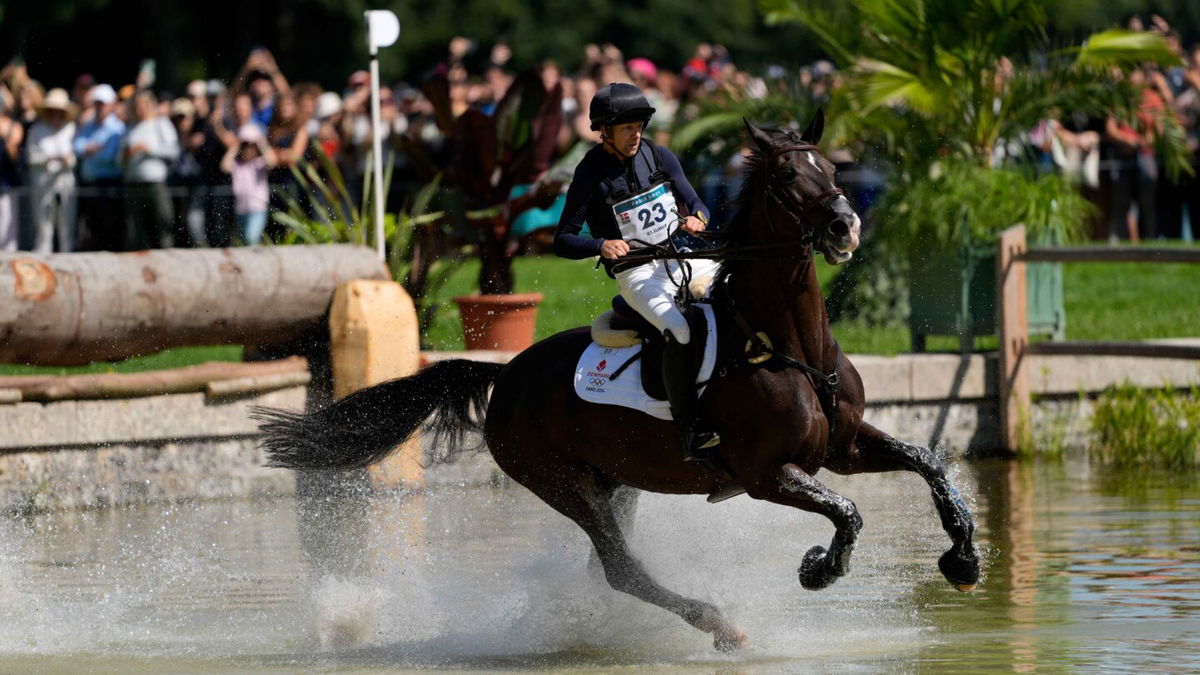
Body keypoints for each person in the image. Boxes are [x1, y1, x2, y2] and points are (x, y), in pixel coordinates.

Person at [553, 82, 718, 461]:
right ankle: (690, 427)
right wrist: (599, 246)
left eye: (639, 125)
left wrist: (698, 218)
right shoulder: (589, 174)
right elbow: (562, 239)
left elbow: (696, 202)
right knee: (680, 329)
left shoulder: (658, 156)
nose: (636, 134)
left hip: (682, 258)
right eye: (627, 128)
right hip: (638, 275)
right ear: (604, 131)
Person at [121, 90, 179, 249]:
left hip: (156, 184)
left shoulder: (161, 123)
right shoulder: (130, 128)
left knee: (163, 225)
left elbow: (173, 151)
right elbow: (119, 160)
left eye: (144, 104)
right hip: (133, 184)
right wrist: (127, 155)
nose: (140, 108)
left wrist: (149, 150)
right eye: (137, 105)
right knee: (136, 230)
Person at [72, 83, 126, 250]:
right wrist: (93, 149)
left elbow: (109, 156)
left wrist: (89, 150)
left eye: (102, 104)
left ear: (111, 105)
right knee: (91, 227)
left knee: (109, 227)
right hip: (89, 182)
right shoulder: (88, 125)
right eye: (97, 103)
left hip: (108, 184)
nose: (99, 107)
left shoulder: (117, 128)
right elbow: (76, 146)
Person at [25, 88, 77, 252]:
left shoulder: (71, 129)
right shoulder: (36, 130)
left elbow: (76, 156)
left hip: (65, 185)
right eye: (52, 111)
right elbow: (30, 157)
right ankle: (43, 260)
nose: (56, 115)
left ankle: (68, 262)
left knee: (66, 227)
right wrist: (47, 159)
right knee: (43, 228)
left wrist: (66, 160)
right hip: (42, 186)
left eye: (59, 111)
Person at [221, 125, 277, 245]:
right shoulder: (238, 166)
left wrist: (260, 142)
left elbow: (272, 161)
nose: (248, 150)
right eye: (245, 147)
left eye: (251, 147)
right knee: (243, 242)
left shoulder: (259, 164)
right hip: (241, 209)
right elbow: (224, 166)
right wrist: (236, 145)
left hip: (258, 208)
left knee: (250, 237)